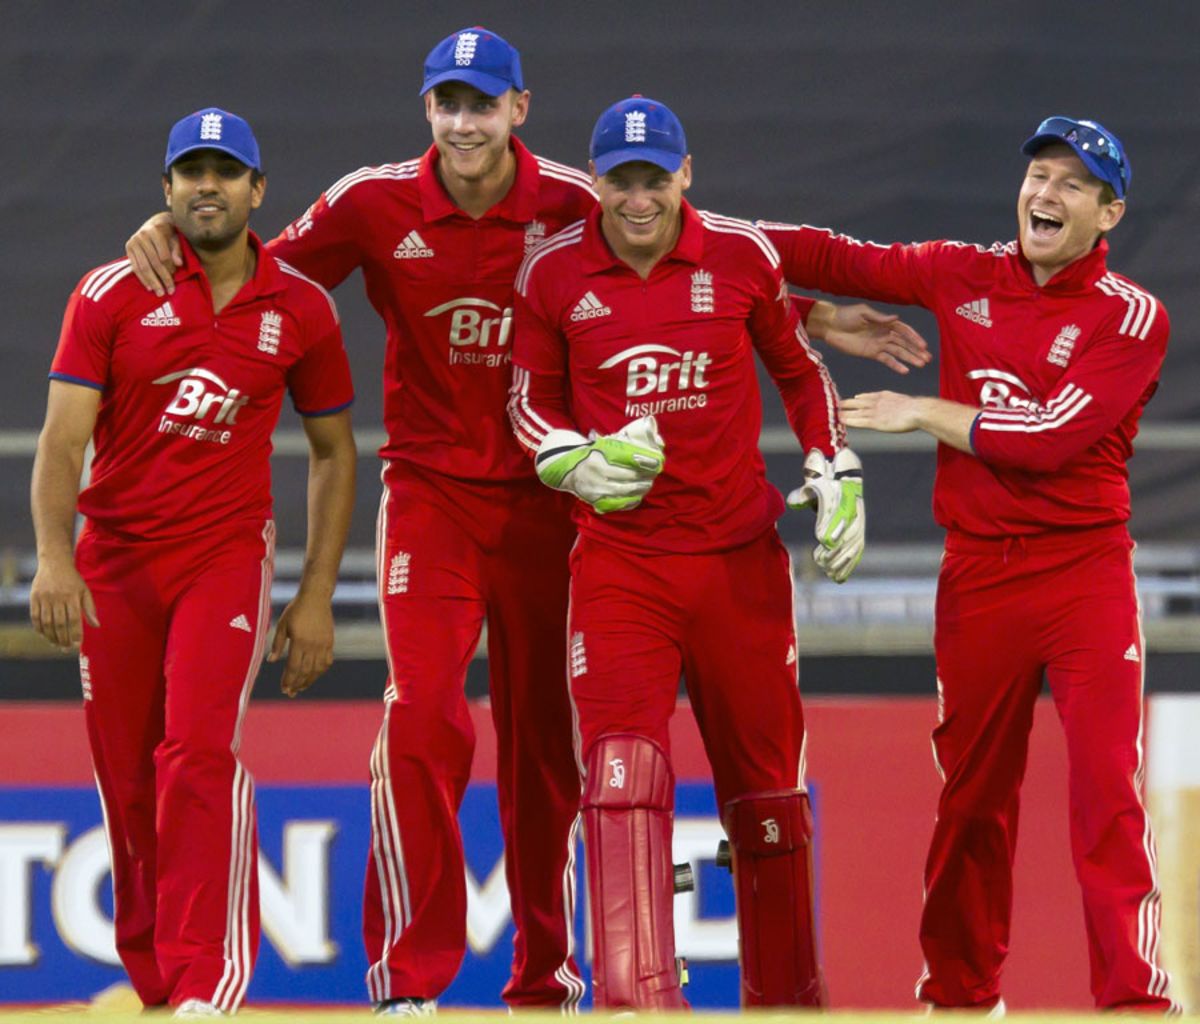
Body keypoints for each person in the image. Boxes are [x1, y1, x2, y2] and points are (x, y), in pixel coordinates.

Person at [123, 29, 925, 1016]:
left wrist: (804, 313)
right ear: (428, 111)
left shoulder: (572, 199)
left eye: (483, 103)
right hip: (432, 498)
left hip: (560, 502)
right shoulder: (372, 202)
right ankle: (408, 982)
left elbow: (686, 252)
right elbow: (264, 282)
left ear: (518, 109)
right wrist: (173, 245)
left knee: (548, 750)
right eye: (448, 103)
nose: (465, 122)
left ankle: (545, 977)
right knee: (419, 719)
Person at [763, 116, 1176, 1013]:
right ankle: (958, 997)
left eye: (1073, 184)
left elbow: (1051, 439)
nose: (1046, 194)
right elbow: (834, 257)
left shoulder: (1131, 316)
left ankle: (1134, 1003)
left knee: (1107, 796)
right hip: (980, 576)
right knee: (972, 801)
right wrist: (707, 240)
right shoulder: (963, 272)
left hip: (1084, 577)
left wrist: (923, 413)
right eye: (1038, 175)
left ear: (1109, 215)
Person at [510, 94, 866, 1010]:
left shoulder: (742, 255)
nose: (639, 198)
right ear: (594, 181)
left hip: (739, 564)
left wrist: (831, 464)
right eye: (621, 180)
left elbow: (798, 368)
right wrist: (567, 458)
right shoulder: (551, 274)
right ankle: (638, 1002)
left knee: (769, 802)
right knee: (622, 781)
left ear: (686, 174)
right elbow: (527, 404)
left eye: (655, 178)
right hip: (622, 565)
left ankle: (787, 1003)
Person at [29, 108, 356, 1018]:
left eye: (225, 172)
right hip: (116, 565)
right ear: (166, 189)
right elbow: (61, 448)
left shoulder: (299, 306)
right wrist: (55, 560)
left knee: (199, 753)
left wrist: (316, 594)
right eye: (189, 173)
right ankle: (158, 984)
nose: (205, 187)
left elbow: (335, 451)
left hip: (222, 557)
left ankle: (206, 983)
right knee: (127, 780)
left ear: (258, 191)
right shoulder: (108, 294)